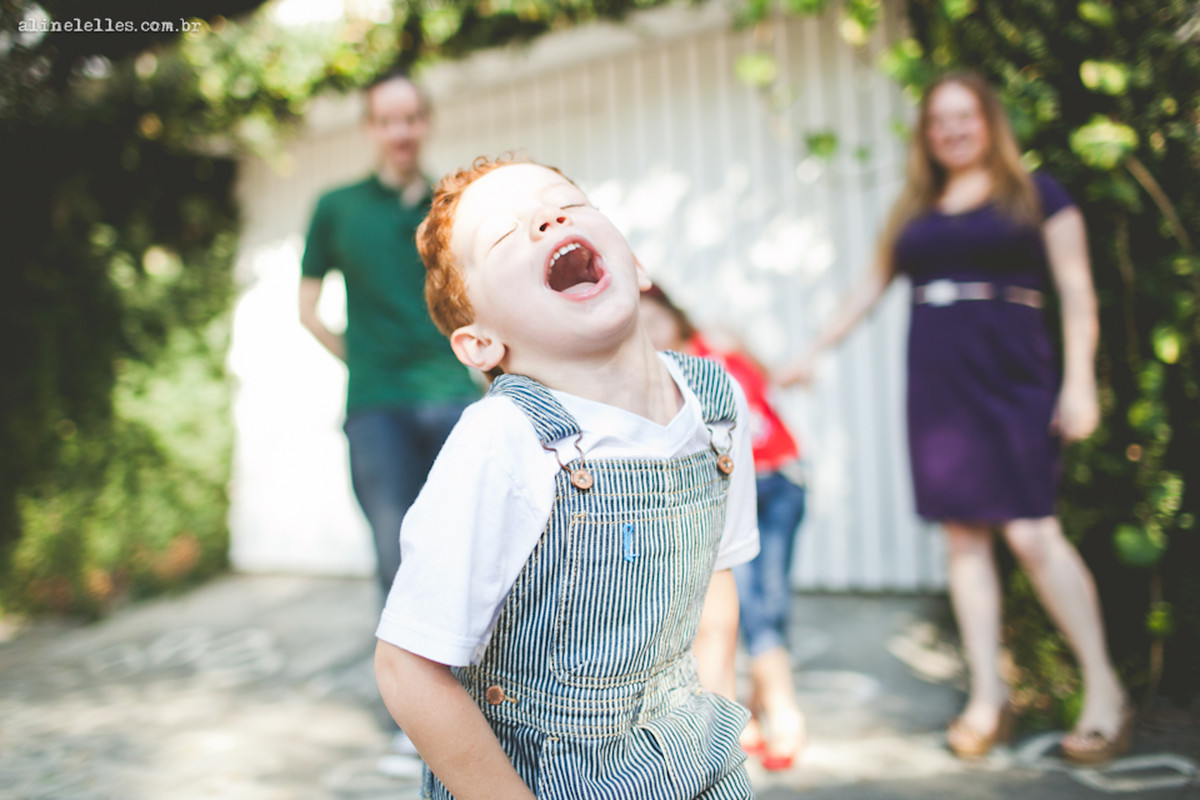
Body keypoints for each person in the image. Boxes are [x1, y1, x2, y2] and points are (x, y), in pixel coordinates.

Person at [374, 156, 761, 799]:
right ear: (481, 344)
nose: (548, 219)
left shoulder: (713, 405)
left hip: (692, 761)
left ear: (637, 265)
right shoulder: (504, 439)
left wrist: (715, 731)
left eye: (567, 204)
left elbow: (716, 578)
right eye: (503, 234)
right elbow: (407, 669)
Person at [775, 72, 1131, 763]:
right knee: (963, 542)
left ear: (989, 121)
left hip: (1015, 377)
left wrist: (1080, 383)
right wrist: (811, 352)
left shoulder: (1039, 194)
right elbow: (868, 288)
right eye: (940, 120)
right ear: (927, 134)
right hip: (940, 385)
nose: (953, 130)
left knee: (1032, 534)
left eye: (965, 116)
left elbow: (1077, 292)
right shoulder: (916, 208)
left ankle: (1105, 692)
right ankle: (988, 699)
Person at [298, 70, 480, 772]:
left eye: (410, 118)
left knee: (472, 552)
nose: (400, 131)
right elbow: (308, 310)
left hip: (453, 397)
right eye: (386, 119)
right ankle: (417, 719)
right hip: (376, 408)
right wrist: (363, 360)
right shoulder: (335, 208)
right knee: (395, 556)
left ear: (425, 122)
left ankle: (484, 703)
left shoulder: (450, 207)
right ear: (371, 128)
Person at [641, 285, 808, 771]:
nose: (650, 332)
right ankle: (782, 714)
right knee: (750, 603)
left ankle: (756, 708)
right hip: (730, 490)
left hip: (783, 481)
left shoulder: (717, 348)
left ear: (675, 317)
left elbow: (766, 383)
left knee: (770, 599)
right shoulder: (654, 380)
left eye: (656, 320)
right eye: (640, 327)